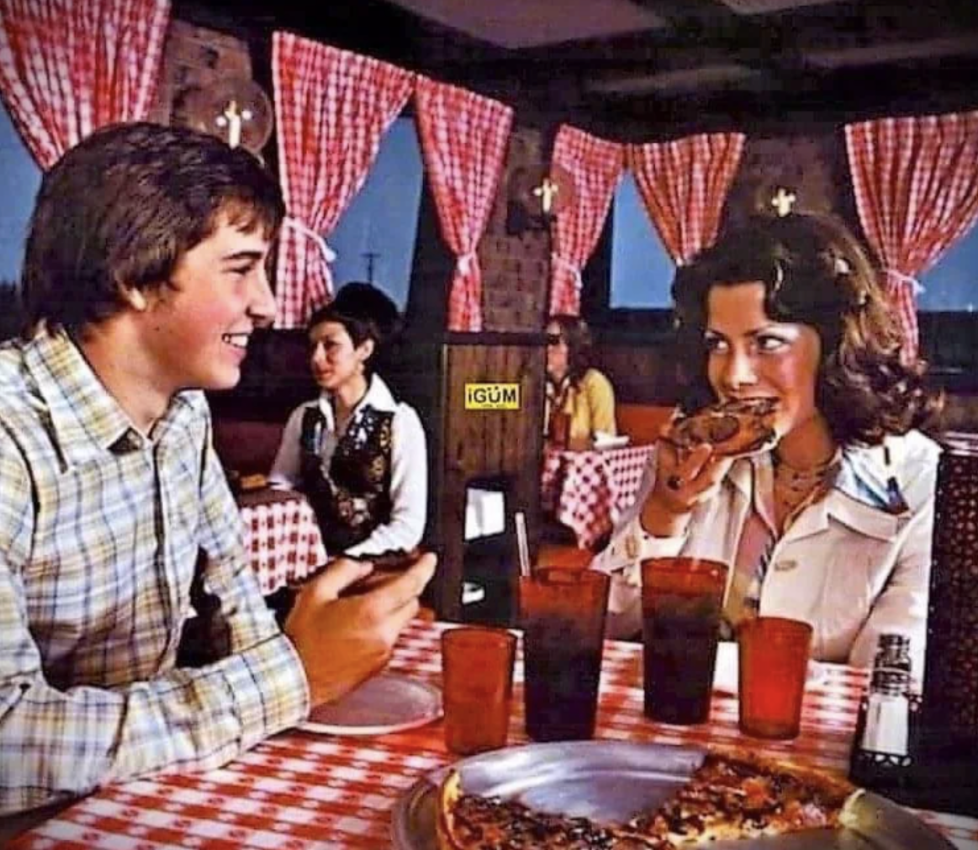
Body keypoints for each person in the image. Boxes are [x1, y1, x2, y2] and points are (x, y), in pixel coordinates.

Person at [0, 123, 436, 816]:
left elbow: (238, 603)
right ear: (136, 276)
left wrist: (310, 656)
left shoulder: (184, 413)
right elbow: (6, 744)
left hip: (137, 799)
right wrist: (289, 677)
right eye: (241, 268)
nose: (267, 305)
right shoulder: (8, 437)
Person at [592, 213, 942, 675]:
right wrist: (665, 514)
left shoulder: (921, 480)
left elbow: (893, 684)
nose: (734, 376)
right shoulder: (694, 445)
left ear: (836, 345)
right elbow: (604, 626)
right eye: (718, 344)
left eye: (766, 343)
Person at [269, 282, 427, 557]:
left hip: (374, 563)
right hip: (308, 559)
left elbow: (408, 526)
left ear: (364, 350)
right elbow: (281, 487)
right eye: (313, 347)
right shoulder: (304, 416)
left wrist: (346, 561)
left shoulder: (400, 422)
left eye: (330, 346)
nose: (317, 358)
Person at [544, 314, 617, 447]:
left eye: (554, 343)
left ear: (573, 347)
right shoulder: (535, 383)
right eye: (545, 342)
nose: (547, 349)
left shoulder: (594, 383)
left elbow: (606, 443)